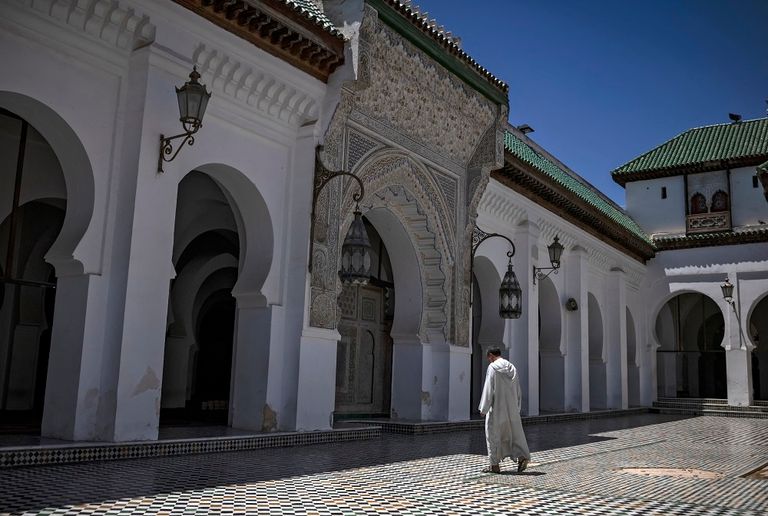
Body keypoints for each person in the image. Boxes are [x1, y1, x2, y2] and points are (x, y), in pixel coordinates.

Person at [479, 348, 531, 474]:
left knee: (493, 434)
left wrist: (484, 408)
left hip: (497, 408)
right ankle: (523, 456)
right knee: (515, 434)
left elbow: (488, 388)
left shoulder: (492, 367)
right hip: (511, 408)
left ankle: (494, 465)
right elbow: (518, 389)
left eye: (489, 358)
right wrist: (517, 406)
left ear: (491, 356)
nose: (489, 361)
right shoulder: (512, 367)